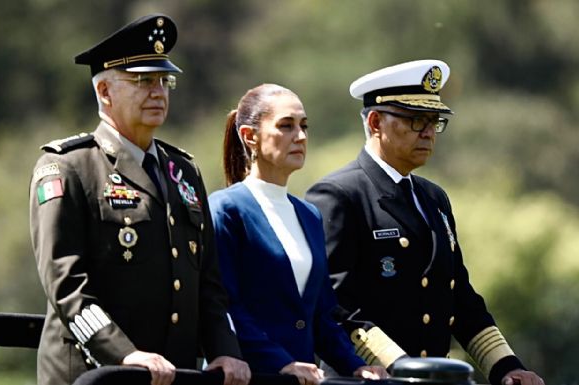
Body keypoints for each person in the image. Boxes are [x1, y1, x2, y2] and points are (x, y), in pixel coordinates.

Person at [29, 14, 250, 385]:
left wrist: (225, 349)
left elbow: (208, 283)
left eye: (165, 81)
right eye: (143, 81)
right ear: (104, 92)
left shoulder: (183, 170)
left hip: (173, 373)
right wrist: (122, 353)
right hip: (97, 373)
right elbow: (66, 286)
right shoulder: (68, 167)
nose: (158, 92)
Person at [305, 60, 545, 385]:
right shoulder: (339, 194)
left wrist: (506, 367)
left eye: (434, 121)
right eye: (417, 120)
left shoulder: (433, 198)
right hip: (367, 379)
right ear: (375, 122)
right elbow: (337, 306)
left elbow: (458, 296)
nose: (429, 132)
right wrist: (402, 368)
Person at [207, 84, 388, 385]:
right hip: (252, 377)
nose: (300, 136)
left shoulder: (308, 215)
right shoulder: (226, 209)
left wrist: (354, 365)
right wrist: (282, 363)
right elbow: (225, 306)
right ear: (249, 137)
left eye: (304, 126)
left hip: (304, 378)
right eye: (286, 126)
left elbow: (322, 312)